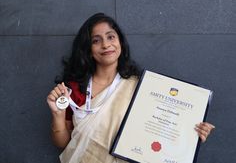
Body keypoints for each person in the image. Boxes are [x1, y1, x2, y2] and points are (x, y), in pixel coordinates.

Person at [46, 13, 215, 163]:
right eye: (96, 41)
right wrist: (58, 115)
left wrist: (190, 133)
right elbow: (63, 143)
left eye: (111, 37)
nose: (106, 45)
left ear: (120, 41)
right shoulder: (73, 89)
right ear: (88, 49)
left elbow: (159, 129)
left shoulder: (143, 87)